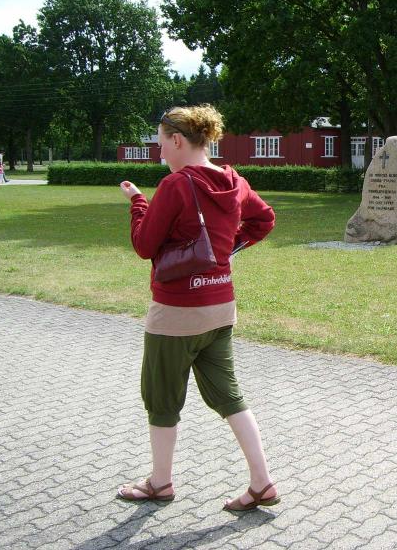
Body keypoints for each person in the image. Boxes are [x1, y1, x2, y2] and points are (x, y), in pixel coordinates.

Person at [117, 104, 279, 511]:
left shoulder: (175, 185)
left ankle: (160, 483)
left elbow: (144, 245)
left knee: (162, 401)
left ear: (177, 140)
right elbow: (264, 220)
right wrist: (224, 251)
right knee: (229, 397)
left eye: (160, 144)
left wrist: (137, 202)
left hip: (175, 314)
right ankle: (262, 483)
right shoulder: (234, 181)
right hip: (220, 307)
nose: (160, 153)